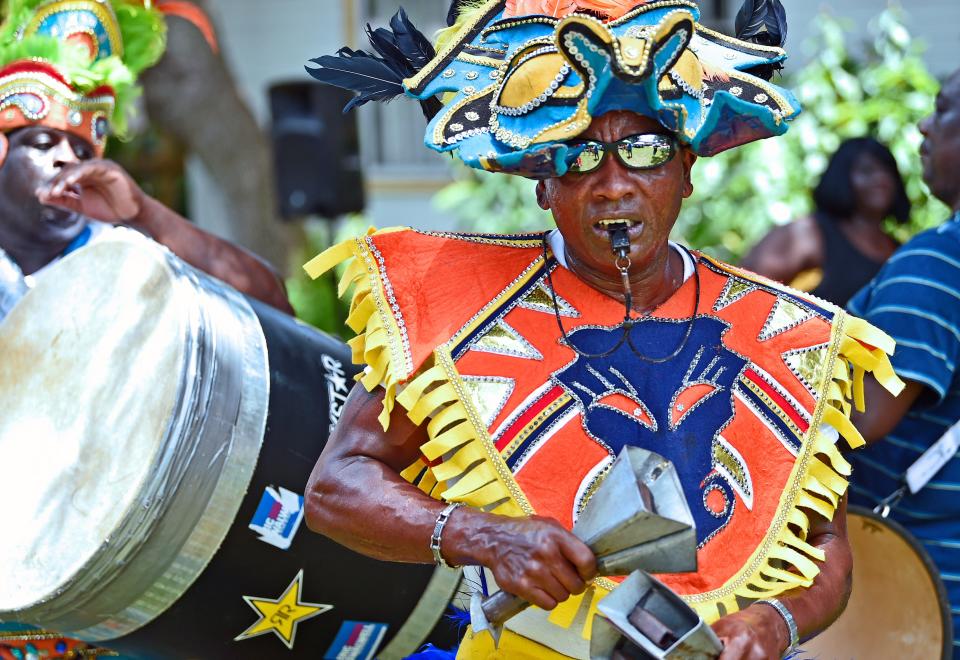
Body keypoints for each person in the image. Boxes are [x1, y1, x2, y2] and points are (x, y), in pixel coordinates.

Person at [302, 1, 902, 658]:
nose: (613, 186)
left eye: (643, 151)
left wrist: (774, 624)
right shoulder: (454, 305)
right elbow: (336, 486)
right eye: (581, 158)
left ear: (686, 171)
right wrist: (482, 534)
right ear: (542, 184)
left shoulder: (789, 333)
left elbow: (826, 542)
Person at [0, 0, 292, 322]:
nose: (69, 160)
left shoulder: (117, 256)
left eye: (84, 153)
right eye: (43, 144)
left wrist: (144, 212)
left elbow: (274, 304)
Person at [846, 68, 960, 657]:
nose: (921, 124)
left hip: (919, 593)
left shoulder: (937, 263)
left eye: (941, 110)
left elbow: (860, 417)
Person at [741, 137, 909, 306]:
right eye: (867, 171)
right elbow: (743, 291)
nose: (881, 179)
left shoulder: (900, 251)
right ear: (841, 178)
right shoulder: (808, 233)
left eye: (888, 171)